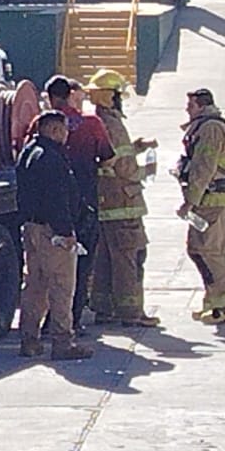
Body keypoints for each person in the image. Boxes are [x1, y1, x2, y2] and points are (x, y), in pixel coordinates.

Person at [82, 69, 160, 328]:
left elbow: (113, 156)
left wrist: (137, 146)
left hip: (107, 205)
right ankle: (131, 312)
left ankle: (103, 308)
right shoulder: (113, 124)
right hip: (124, 205)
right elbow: (125, 168)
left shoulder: (97, 121)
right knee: (130, 257)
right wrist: (145, 170)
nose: (121, 100)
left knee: (105, 258)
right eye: (117, 96)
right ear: (108, 97)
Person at [16, 111, 94, 361]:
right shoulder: (52, 159)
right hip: (53, 232)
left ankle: (30, 340)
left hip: (31, 228)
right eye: (64, 129)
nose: (67, 134)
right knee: (61, 287)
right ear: (53, 130)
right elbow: (57, 198)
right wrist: (66, 232)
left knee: (34, 287)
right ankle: (63, 342)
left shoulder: (28, 153)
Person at [42, 75, 114, 336]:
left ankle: (49, 320)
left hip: (49, 207)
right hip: (85, 206)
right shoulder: (92, 124)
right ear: (71, 94)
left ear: (50, 97)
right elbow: (107, 159)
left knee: (46, 268)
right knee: (81, 266)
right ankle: (72, 319)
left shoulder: (41, 125)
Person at [176, 88, 225, 324]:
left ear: (202, 106)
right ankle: (213, 301)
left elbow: (204, 166)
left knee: (208, 251)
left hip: (212, 201)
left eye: (191, 105)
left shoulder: (211, 129)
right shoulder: (206, 127)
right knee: (199, 250)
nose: (187, 109)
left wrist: (190, 201)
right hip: (209, 200)